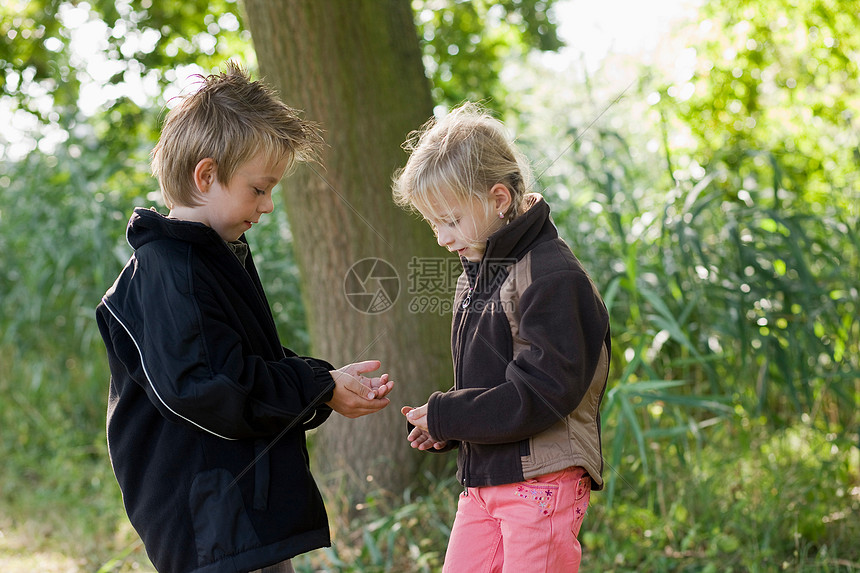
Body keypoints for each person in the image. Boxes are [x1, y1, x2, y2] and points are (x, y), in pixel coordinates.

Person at [96, 62, 394, 573]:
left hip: (235, 514)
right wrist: (316, 385)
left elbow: (248, 364)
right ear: (206, 175)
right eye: (259, 189)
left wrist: (325, 383)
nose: (269, 205)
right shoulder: (170, 270)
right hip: (207, 519)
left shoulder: (214, 259)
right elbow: (211, 387)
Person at [392, 102, 611, 572]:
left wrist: (452, 414)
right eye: (432, 223)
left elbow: (541, 393)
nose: (441, 238)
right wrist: (447, 426)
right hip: (485, 484)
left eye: (450, 220)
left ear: (498, 199)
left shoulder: (552, 276)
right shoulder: (477, 274)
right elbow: (493, 383)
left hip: (541, 483)